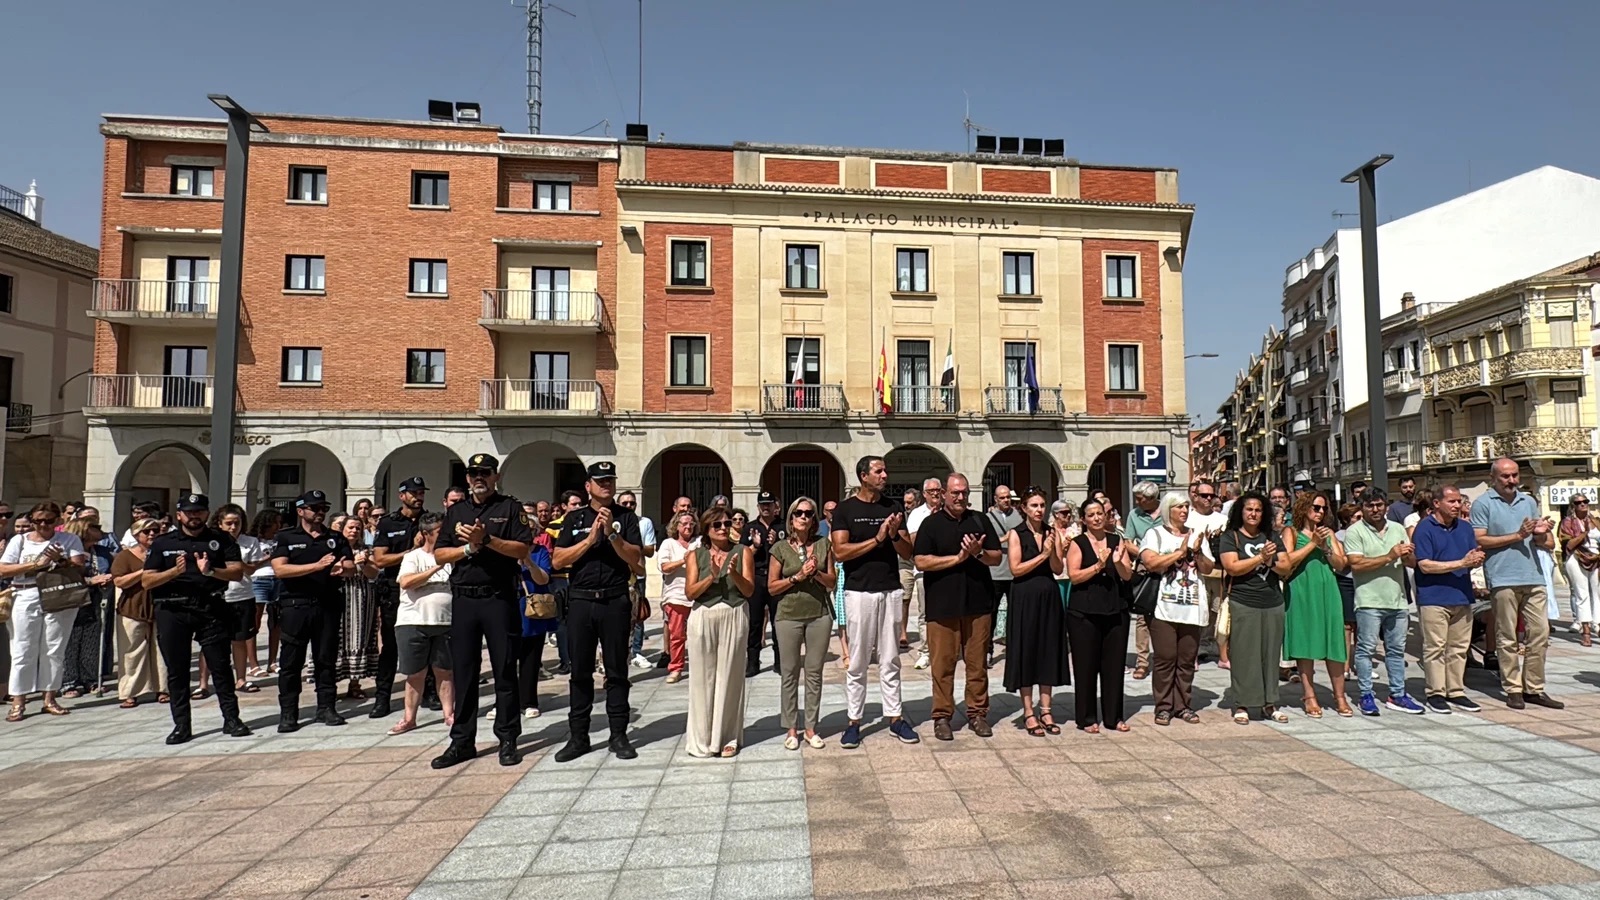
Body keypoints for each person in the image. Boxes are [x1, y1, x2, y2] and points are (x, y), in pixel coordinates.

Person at [431, 453, 535, 768]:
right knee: (464, 672)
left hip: (498, 599)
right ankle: (462, 741)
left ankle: (508, 739)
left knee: (504, 670)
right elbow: (439, 554)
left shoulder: (510, 508)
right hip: (465, 599)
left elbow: (522, 548)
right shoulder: (456, 511)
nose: (479, 477)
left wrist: (486, 539)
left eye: (485, 472)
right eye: (474, 473)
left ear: (495, 476)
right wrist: (468, 548)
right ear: (467, 478)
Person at [551, 460, 645, 762]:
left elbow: (637, 561)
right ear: (588, 486)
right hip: (581, 601)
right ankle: (578, 736)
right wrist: (591, 539)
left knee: (617, 671)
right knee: (580, 672)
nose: (606, 485)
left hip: (614, 600)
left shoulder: (626, 517)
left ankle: (619, 735)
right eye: (600, 480)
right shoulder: (574, 518)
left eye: (610, 480)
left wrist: (612, 535)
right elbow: (558, 559)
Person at [142, 493, 251, 744]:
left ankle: (232, 719)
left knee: (220, 667)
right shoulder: (163, 542)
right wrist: (173, 571)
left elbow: (236, 573)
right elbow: (147, 580)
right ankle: (182, 725)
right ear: (179, 515)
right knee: (177, 670)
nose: (194, 516)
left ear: (206, 513)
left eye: (199, 511)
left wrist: (210, 571)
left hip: (210, 607)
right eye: (189, 512)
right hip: (173, 609)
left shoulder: (220, 539)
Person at [832, 455, 919, 748]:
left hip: (890, 590)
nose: (884, 475)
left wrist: (893, 535)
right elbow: (840, 552)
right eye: (878, 471)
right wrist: (877, 539)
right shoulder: (846, 509)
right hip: (859, 592)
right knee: (858, 660)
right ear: (863, 476)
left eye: (885, 471)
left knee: (891, 658)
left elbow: (907, 552)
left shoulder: (892, 507)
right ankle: (854, 722)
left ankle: (895, 718)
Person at [914, 473, 1001, 742]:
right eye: (955, 492)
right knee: (943, 666)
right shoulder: (931, 524)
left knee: (977, 665)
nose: (960, 497)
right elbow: (921, 561)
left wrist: (977, 553)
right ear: (944, 494)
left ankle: (977, 713)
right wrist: (958, 558)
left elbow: (997, 557)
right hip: (942, 607)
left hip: (978, 605)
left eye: (964, 492)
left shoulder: (980, 520)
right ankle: (942, 716)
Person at [1472, 457, 1561, 710]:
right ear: (1493, 478)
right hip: (1503, 578)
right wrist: (1517, 535)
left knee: (1540, 633)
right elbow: (1480, 539)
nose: (1511, 480)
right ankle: (1512, 688)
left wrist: (1541, 532)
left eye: (1514, 475)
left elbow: (1543, 541)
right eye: (1505, 476)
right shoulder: (1483, 503)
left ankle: (1533, 687)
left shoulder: (1528, 501)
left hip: (1533, 576)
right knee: (1507, 636)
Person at [272, 490, 357, 731]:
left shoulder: (335, 538)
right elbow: (280, 569)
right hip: (296, 605)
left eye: (323, 508)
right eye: (315, 508)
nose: (320, 512)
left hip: (327, 603)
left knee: (326, 659)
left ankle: (326, 707)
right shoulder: (286, 537)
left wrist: (344, 568)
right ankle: (289, 713)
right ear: (300, 511)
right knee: (291, 662)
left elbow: (350, 565)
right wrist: (316, 566)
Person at [0, 502, 88, 721]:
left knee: (54, 648)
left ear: (57, 520)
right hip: (25, 593)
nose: (43, 525)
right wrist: (36, 564)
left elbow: (79, 567)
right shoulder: (20, 541)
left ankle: (49, 698)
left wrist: (61, 560)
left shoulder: (69, 539)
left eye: (48, 521)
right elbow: (3, 569)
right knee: (22, 648)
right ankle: (18, 700)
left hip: (58, 594)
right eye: (38, 521)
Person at [1343, 488, 1423, 716]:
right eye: (1370, 505)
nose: (1375, 509)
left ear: (1386, 506)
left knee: (1396, 651)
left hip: (1397, 600)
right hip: (1369, 601)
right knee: (1366, 649)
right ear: (1362, 508)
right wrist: (1390, 555)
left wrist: (1407, 555)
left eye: (1379, 505)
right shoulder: (1355, 531)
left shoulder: (1398, 529)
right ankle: (1366, 695)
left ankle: (1397, 694)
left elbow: (1411, 563)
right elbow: (1356, 565)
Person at [684, 508, 755, 757]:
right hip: (703, 616)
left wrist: (733, 573)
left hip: (734, 614)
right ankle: (702, 738)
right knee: (702, 679)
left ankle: (728, 737)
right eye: (717, 525)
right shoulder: (695, 555)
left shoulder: (743, 552)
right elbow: (690, 593)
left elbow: (749, 590)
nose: (724, 528)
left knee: (730, 677)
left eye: (727, 523)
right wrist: (711, 577)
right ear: (706, 529)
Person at [1138, 492, 1213, 725]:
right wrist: (1180, 553)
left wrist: (1196, 551)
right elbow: (1150, 562)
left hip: (1192, 607)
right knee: (1165, 658)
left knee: (1187, 659)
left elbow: (1208, 568)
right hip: (1163, 607)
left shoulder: (1196, 535)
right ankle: (1163, 706)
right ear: (1168, 509)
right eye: (1179, 507)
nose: (1184, 511)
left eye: (1186, 507)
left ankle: (1183, 705)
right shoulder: (1155, 534)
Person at [1412, 485, 1486, 713]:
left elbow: (1471, 555)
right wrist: (1461, 563)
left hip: (1461, 595)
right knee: (1435, 647)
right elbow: (1424, 565)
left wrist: (1476, 559)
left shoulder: (1465, 528)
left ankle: (1455, 690)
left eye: (1459, 501)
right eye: (1451, 501)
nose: (1457, 505)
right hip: (1434, 597)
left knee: (1459, 648)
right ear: (1437, 503)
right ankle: (1435, 692)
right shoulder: (1424, 528)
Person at [769, 497, 835, 750]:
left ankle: (810, 727)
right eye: (799, 513)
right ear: (791, 517)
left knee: (814, 672)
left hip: (819, 614)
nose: (803, 517)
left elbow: (831, 582)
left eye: (808, 513)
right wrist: (797, 577)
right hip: (788, 615)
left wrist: (815, 573)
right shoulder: (780, 548)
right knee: (790, 672)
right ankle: (791, 728)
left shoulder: (823, 544)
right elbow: (772, 587)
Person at [1065, 495, 1135, 733]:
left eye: (1099, 514)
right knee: (1086, 666)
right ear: (1083, 520)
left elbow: (1127, 575)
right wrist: (1098, 566)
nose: (1096, 518)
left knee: (1113, 666)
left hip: (1115, 609)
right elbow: (1074, 576)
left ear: (1106, 516)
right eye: (1091, 515)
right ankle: (1087, 718)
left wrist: (1117, 562)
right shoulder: (1078, 543)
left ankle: (1113, 717)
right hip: (1084, 613)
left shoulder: (1116, 540)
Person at [1216, 492, 1286, 724]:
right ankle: (1242, 703)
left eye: (1258, 510)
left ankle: (1269, 703)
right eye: (1249, 509)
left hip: (1272, 603)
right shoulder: (1231, 537)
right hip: (1243, 602)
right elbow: (1232, 567)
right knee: (1244, 656)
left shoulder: (1272, 536)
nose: (1253, 514)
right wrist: (1260, 558)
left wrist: (1270, 561)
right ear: (1241, 511)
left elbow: (1286, 567)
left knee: (1270, 656)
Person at [1280, 490, 1351, 718]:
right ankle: (1309, 695)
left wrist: (1326, 547)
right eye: (1316, 507)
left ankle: (1340, 696)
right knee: (1305, 641)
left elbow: (1341, 564)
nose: (1320, 512)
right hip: (1301, 589)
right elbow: (1286, 561)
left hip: (1327, 588)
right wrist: (1312, 544)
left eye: (1324, 508)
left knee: (1334, 642)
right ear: (1304, 508)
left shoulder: (1328, 533)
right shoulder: (1291, 532)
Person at [1004, 488, 1069, 735]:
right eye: (1034, 505)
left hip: (1048, 595)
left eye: (1042, 505)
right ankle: (1028, 711)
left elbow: (1058, 568)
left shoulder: (1052, 532)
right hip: (1025, 597)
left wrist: (1053, 551)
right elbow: (1016, 569)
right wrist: (1043, 555)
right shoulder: (1016, 533)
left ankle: (1046, 709)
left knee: (1047, 650)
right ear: (1024, 508)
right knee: (1027, 650)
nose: (1039, 510)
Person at [390, 512, 456, 735]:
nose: (444, 534)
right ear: (426, 534)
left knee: (445, 671)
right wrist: (437, 566)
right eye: (439, 531)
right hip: (413, 622)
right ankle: (409, 718)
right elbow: (407, 582)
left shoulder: (452, 556)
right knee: (415, 674)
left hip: (445, 621)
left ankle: (449, 714)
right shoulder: (413, 557)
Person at [368, 477, 428, 718]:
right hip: (395, 589)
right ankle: (382, 697)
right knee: (391, 646)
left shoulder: (430, 520)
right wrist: (411, 552)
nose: (418, 497)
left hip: (424, 588)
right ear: (402, 496)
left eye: (421, 492)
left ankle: (430, 693)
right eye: (413, 493)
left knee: (427, 641)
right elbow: (380, 559)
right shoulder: (388, 523)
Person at [111, 517, 166, 707]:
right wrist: (143, 572)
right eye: (147, 531)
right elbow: (119, 581)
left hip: (159, 605)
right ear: (136, 534)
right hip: (132, 606)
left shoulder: (163, 553)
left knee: (161, 649)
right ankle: (130, 692)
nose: (152, 534)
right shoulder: (125, 556)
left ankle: (163, 688)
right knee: (131, 651)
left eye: (155, 530)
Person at [212, 505, 266, 697]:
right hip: (217, 596)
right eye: (229, 523)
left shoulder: (249, 542)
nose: (233, 527)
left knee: (240, 639)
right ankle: (203, 683)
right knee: (211, 641)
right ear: (220, 523)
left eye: (237, 523)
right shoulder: (212, 541)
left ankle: (241, 678)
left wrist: (237, 561)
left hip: (242, 595)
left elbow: (251, 569)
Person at [58, 517, 113, 698]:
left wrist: (108, 578)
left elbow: (112, 569)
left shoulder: (102, 551)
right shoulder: (67, 551)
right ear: (83, 530)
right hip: (71, 598)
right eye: (95, 527)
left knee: (92, 638)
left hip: (96, 597)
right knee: (71, 640)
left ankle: (90, 679)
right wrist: (90, 580)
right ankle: (68, 682)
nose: (100, 529)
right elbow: (65, 575)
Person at [332, 514, 380, 700]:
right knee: (335, 639)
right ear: (342, 529)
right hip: (338, 595)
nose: (354, 531)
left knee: (358, 637)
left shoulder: (367, 550)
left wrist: (363, 563)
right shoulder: (334, 547)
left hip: (360, 596)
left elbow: (373, 573)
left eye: (357, 528)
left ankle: (355, 684)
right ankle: (331, 684)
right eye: (350, 527)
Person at [1123, 481, 1163, 682]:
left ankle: (1164, 659)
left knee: (1165, 614)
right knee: (1142, 616)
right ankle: (1142, 662)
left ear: (1152, 498)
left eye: (1140, 499)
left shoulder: (1167, 511)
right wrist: (1145, 555)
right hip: (1145, 569)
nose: (1137, 502)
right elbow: (1128, 542)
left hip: (1168, 568)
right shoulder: (1134, 515)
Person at [1189, 481, 1229, 669]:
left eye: (1211, 496)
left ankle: (1220, 653)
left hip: (1219, 572)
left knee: (1218, 613)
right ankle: (1193, 653)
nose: (1208, 499)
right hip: (1197, 573)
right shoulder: (1188, 518)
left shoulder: (1222, 519)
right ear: (1195, 496)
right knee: (1197, 612)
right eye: (1204, 495)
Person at [742, 490, 782, 676]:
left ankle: (779, 661)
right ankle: (753, 662)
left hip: (777, 579)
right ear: (758, 506)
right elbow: (743, 555)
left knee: (778, 622)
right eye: (763, 504)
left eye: (769, 504)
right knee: (755, 623)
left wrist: (777, 544)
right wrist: (756, 546)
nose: (766, 507)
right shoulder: (750, 528)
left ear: (775, 506)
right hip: (757, 578)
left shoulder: (783, 526)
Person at [513, 540, 555, 719]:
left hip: (533, 608)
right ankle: (503, 702)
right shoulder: (505, 549)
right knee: (505, 658)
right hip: (508, 607)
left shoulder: (540, 551)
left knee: (530, 658)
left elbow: (543, 578)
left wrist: (528, 561)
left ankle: (528, 701)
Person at [906, 477, 943, 670]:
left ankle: (945, 649)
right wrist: (930, 523)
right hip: (924, 570)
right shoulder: (917, 514)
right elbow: (912, 541)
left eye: (938, 490)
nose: (935, 494)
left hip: (947, 568)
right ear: (925, 494)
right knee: (925, 613)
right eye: (931, 491)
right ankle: (926, 651)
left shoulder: (949, 511)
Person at [619, 491, 658, 670]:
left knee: (638, 615)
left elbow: (650, 550)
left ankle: (636, 652)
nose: (629, 506)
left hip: (638, 575)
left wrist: (630, 547)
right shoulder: (614, 522)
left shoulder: (644, 522)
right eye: (625, 503)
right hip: (617, 576)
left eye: (632, 503)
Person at [984, 485, 1022, 669]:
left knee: (1016, 613)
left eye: (1008, 497)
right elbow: (985, 541)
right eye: (1002, 498)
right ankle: (988, 650)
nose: (1006, 500)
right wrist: (1004, 539)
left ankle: (1015, 649)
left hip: (1014, 571)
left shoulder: (1018, 516)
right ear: (995, 499)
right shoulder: (989, 518)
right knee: (991, 613)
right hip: (995, 573)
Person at [657, 512, 696, 683]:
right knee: (677, 635)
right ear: (676, 526)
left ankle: (700, 667)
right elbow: (664, 567)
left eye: (691, 524)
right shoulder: (668, 544)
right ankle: (676, 668)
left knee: (700, 635)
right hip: (675, 596)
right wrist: (684, 560)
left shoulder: (699, 542)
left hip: (698, 595)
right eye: (684, 523)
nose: (688, 527)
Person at [246, 509, 283, 677]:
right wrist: (267, 558)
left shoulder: (279, 539)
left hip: (277, 579)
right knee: (254, 622)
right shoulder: (253, 540)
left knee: (276, 622)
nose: (278, 525)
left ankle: (272, 662)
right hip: (258, 579)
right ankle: (253, 664)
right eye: (275, 522)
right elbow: (249, 563)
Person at [1560, 495, 1600, 646]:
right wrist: (1585, 533)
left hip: (1596, 559)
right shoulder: (1568, 522)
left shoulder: (1595, 520)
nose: (1582, 504)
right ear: (1573, 506)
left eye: (1585, 501)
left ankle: (1598, 624)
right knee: (1582, 594)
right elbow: (1568, 544)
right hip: (1576, 558)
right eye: (1578, 503)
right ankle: (1586, 630)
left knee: (1597, 593)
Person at [896, 487, 921, 653]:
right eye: (905, 502)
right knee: (904, 598)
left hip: (921, 561)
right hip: (904, 562)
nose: (906, 505)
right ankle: (902, 633)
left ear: (917, 502)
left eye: (910, 502)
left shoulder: (923, 516)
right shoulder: (901, 518)